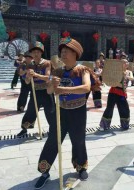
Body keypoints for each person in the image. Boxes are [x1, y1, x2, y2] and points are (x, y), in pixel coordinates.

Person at [35, 37, 100, 189]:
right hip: (61, 111)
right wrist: (53, 84)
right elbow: (49, 91)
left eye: (66, 52)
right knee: (53, 141)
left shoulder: (82, 70)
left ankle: (81, 166)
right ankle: (44, 172)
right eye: (62, 52)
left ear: (75, 53)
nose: (63, 55)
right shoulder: (58, 71)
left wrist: (63, 89)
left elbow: (86, 87)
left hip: (78, 112)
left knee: (78, 140)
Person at [16, 42, 54, 138]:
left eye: (38, 52)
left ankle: (54, 129)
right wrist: (28, 77)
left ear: (41, 53)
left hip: (46, 92)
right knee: (30, 111)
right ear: (31, 54)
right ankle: (24, 129)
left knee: (50, 112)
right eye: (34, 52)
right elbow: (27, 82)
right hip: (35, 91)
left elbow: (47, 77)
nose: (36, 54)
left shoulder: (47, 63)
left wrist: (36, 75)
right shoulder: (30, 65)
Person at [99, 59, 134, 131]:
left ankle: (125, 125)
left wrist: (125, 76)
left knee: (125, 109)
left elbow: (132, 78)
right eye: (123, 62)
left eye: (126, 62)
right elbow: (105, 75)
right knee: (109, 108)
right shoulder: (115, 72)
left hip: (122, 93)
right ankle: (104, 126)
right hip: (113, 92)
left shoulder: (129, 72)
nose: (125, 63)